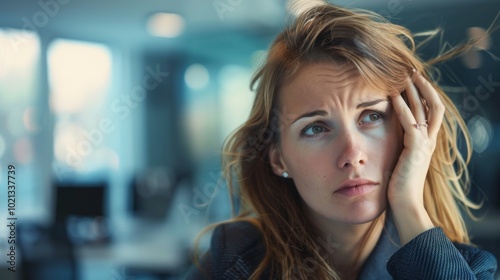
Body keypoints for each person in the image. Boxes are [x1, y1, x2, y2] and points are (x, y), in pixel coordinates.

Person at [186, 2, 498, 279]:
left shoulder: (470, 268)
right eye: (315, 128)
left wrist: (410, 207)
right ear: (279, 158)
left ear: (411, 129)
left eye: (372, 117)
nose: (352, 154)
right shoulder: (237, 260)